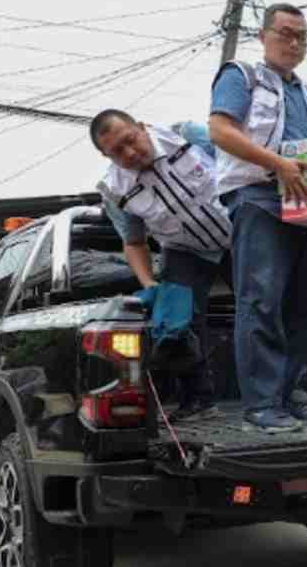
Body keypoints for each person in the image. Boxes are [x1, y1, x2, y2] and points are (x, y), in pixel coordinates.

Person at [208, 3, 307, 433]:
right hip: (257, 197)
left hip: (306, 208)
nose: (293, 42)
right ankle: (261, 405)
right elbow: (220, 130)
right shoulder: (242, 76)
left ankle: (288, 394)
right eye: (284, 33)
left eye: (301, 35)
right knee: (261, 301)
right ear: (262, 37)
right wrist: (277, 163)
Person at [91, 109, 231, 421]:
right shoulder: (114, 190)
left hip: (238, 231)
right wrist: (150, 284)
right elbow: (134, 241)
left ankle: (273, 396)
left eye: (131, 140)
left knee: (262, 306)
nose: (130, 153)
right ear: (106, 155)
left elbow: (242, 165)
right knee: (177, 322)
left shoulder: (188, 136)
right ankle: (199, 400)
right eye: (117, 152)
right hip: (184, 250)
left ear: (141, 127)